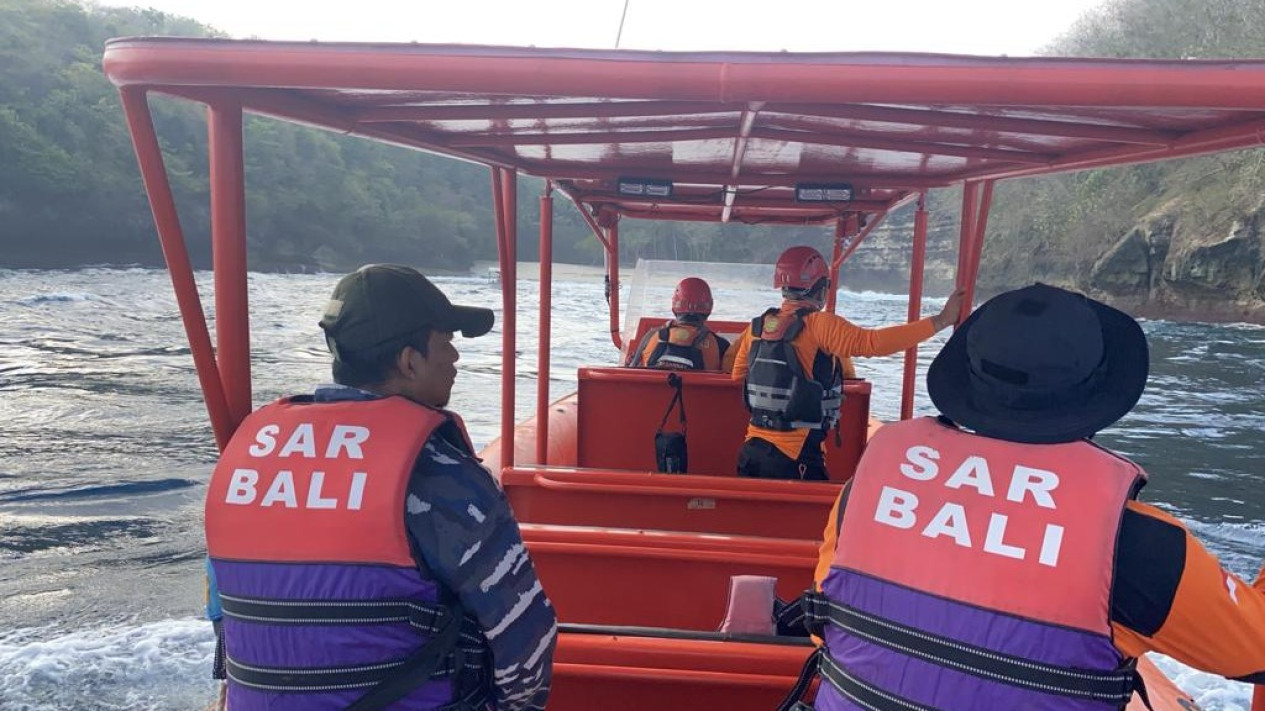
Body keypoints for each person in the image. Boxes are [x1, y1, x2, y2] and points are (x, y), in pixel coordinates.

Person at [795, 283, 1265, 711]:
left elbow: (826, 621)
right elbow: (1255, 650)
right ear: (1098, 395)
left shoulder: (869, 488)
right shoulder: (1138, 545)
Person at [203, 264, 557, 711]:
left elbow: (225, 615)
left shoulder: (245, 463)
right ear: (410, 361)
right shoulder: (439, 476)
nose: (456, 358)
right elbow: (529, 640)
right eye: (446, 342)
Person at [731, 245, 963, 481]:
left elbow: (738, 375)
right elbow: (874, 343)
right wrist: (940, 321)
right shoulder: (820, 326)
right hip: (797, 459)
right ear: (820, 288)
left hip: (752, 451)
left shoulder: (758, 327)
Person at [626, 276, 733, 371]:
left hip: (652, 393)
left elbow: (631, 372)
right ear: (709, 307)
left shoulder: (651, 336)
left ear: (675, 305)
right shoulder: (720, 345)